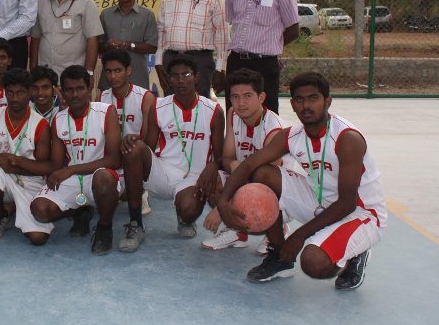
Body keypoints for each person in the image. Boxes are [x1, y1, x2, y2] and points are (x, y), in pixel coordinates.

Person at [217, 72, 386, 290]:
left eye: (313, 98)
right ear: (292, 104)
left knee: (313, 263)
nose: (306, 105)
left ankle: (356, 253)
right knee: (262, 173)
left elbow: (347, 203)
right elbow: (249, 165)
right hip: (320, 200)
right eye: (299, 99)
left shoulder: (347, 138)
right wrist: (223, 202)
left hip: (361, 213)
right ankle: (280, 258)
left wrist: (298, 236)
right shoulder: (293, 135)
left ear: (328, 101)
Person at [117, 54, 224, 252]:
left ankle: (184, 219)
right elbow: (147, 145)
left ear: (197, 77)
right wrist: (133, 141)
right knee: (133, 150)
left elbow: (219, 154)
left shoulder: (214, 110)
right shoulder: (159, 107)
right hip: (164, 171)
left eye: (186, 74)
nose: (181, 80)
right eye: (174, 76)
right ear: (168, 79)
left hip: (194, 176)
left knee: (189, 209)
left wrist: (214, 166)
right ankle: (135, 224)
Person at [30, 65, 122, 255]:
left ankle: (104, 227)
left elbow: (114, 160)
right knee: (39, 209)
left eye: (80, 88)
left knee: (104, 179)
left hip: (99, 175)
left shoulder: (107, 111)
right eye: (69, 90)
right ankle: (80, 210)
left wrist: (70, 170)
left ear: (89, 88)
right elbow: (56, 164)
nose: (75, 94)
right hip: (73, 179)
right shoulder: (59, 118)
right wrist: (54, 174)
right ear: (62, 92)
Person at [201, 68, 286, 252]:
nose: (241, 103)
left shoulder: (274, 129)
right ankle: (237, 232)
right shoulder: (233, 114)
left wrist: (221, 208)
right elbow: (228, 157)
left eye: (248, 96)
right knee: (214, 177)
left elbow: (263, 178)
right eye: (235, 97)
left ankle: (277, 227)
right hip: (244, 179)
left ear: (261, 97)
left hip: (278, 193)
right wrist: (235, 167)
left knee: (257, 174)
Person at [0, 68, 55, 245]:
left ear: (30, 93)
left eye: (20, 92)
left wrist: (15, 164)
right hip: (1, 178)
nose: (14, 98)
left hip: (30, 182)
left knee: (38, 238)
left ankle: (14, 208)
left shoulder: (41, 125)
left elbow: (46, 167)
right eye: (10, 93)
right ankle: (0, 215)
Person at [225, 0, 299, 114]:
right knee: (235, 113)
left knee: (268, 113)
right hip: (236, 62)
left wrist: (272, 44)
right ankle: (236, 144)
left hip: (264, 64)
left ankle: (268, 144)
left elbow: (293, 29)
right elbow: (229, 24)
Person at [154, 0, 228, 99]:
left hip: (200, 62)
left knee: (199, 110)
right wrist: (159, 62)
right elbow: (161, 29)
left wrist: (220, 68)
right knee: (171, 109)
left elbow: (222, 32)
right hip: (171, 60)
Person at [99, 49, 156, 215]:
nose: (113, 76)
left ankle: (141, 189)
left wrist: (132, 140)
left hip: (136, 157)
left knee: (135, 147)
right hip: (112, 159)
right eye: (108, 71)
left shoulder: (146, 97)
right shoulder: (102, 97)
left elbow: (148, 140)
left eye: (118, 71)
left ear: (128, 71)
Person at [30, 0, 104, 82]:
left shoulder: (86, 4)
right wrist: (33, 70)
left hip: (74, 79)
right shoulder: (40, 4)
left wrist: (89, 73)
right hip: (45, 78)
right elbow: (35, 39)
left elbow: (92, 40)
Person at [98, 0, 157, 91]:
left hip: (137, 79)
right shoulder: (106, 14)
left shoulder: (147, 15)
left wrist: (127, 45)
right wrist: (107, 46)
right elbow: (99, 46)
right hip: (109, 81)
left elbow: (152, 47)